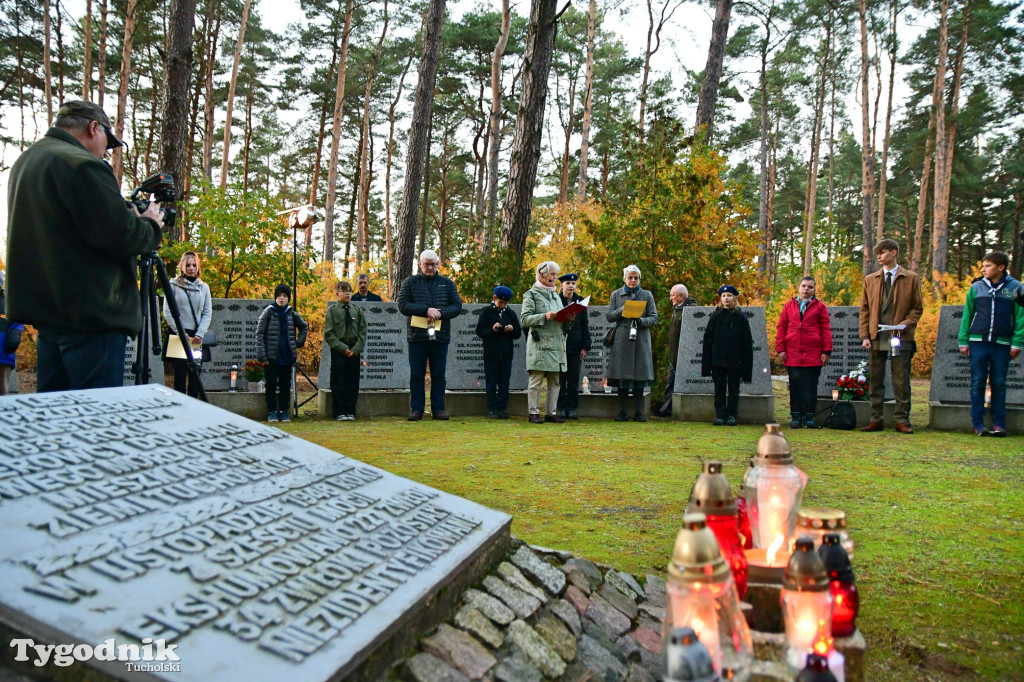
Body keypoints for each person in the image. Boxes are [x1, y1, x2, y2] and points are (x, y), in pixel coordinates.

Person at [4, 100, 165, 392]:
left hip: (50, 315)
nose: (106, 151)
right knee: (95, 422)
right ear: (94, 128)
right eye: (108, 143)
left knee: (56, 420)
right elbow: (123, 235)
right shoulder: (82, 165)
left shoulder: (27, 161)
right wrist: (151, 224)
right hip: (92, 317)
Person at [858, 239, 923, 434]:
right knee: (876, 379)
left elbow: (917, 308)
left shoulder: (911, 278)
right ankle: (876, 419)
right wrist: (865, 336)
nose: (879, 256)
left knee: (901, 380)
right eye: (877, 253)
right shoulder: (870, 279)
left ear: (894, 253)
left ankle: (902, 419)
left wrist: (906, 324)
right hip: (877, 335)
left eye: (883, 252)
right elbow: (865, 309)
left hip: (900, 337)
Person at [958, 251, 1024, 436]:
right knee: (977, 382)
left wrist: (1016, 343)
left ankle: (999, 424)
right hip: (978, 343)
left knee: (999, 383)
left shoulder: (1016, 288)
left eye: (988, 266)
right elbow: (967, 315)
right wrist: (963, 340)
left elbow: (1020, 318)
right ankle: (978, 424)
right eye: (983, 266)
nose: (983, 269)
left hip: (1002, 344)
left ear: (1001, 267)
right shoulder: (976, 287)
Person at [398, 250, 463, 420]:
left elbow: (457, 306)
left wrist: (439, 314)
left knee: (439, 374)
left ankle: (438, 409)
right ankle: (417, 409)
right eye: (426, 263)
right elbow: (403, 305)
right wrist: (425, 310)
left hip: (440, 336)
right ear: (420, 264)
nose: (430, 267)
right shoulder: (410, 282)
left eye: (433, 264)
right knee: (417, 374)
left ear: (438, 265)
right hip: (417, 336)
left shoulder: (447, 283)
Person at [776, 276, 832, 429]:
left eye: (810, 287)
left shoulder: (820, 307)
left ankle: (809, 417)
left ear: (814, 290)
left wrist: (826, 351)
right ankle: (795, 417)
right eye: (804, 286)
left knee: (810, 387)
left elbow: (826, 329)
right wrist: (781, 348)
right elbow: (781, 327)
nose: (806, 289)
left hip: (813, 354)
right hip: (793, 353)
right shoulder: (789, 306)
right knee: (795, 387)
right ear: (798, 287)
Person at [522, 261, 575, 424]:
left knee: (555, 381)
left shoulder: (555, 296)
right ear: (542, 274)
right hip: (540, 344)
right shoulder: (530, 294)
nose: (555, 277)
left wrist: (569, 319)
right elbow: (525, 319)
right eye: (552, 274)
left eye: (556, 274)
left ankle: (551, 412)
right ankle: (533, 412)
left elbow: (563, 323)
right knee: (536, 380)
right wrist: (544, 316)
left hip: (557, 344)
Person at [606, 265, 659, 421]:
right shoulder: (616, 295)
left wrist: (641, 320)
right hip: (622, 339)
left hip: (640, 339)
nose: (633, 280)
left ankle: (638, 412)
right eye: (630, 277)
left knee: (639, 377)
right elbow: (609, 316)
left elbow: (654, 318)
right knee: (621, 376)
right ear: (624, 279)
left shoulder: (647, 295)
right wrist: (622, 310)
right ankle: (622, 411)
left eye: (636, 277)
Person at [162, 251, 212, 398]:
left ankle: (194, 407)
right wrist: (179, 331)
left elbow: (207, 312)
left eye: (194, 265)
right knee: (180, 374)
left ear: (198, 267)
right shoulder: (173, 285)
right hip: (179, 335)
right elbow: (167, 312)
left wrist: (200, 333)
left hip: (197, 337)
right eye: (188, 265)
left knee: (195, 374)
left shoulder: (204, 288)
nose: (191, 268)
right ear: (182, 266)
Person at [255, 284, 308, 423]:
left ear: (288, 298)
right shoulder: (268, 312)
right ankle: (272, 411)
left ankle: (284, 411)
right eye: (279, 296)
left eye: (284, 296)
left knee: (285, 385)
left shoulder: (291, 314)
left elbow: (304, 326)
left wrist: (298, 343)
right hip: (271, 357)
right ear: (275, 297)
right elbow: (259, 334)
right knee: (271, 385)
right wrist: (262, 355)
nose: (282, 299)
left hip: (286, 356)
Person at [702, 285, 753, 426]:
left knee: (734, 390)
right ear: (720, 298)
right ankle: (720, 415)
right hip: (718, 361)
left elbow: (747, 343)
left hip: (735, 361)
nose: (726, 298)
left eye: (729, 295)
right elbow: (707, 341)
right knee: (719, 389)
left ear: (735, 298)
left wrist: (746, 366)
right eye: (724, 296)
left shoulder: (741, 317)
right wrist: (706, 365)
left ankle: (731, 415)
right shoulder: (715, 316)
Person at [475, 286, 522, 419]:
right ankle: (492, 408)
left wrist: (512, 329)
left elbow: (518, 333)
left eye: (505, 303)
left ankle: (502, 408)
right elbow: (480, 331)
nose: (503, 305)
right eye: (500, 302)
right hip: (491, 354)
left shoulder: (511, 314)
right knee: (491, 382)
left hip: (506, 354)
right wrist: (492, 330)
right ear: (494, 298)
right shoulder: (486, 312)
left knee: (504, 383)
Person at [324, 281, 367, 421]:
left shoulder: (357, 310)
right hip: (339, 350)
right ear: (337, 293)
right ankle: (339, 411)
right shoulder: (332, 310)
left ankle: (350, 411)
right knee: (338, 381)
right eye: (344, 291)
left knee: (352, 381)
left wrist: (356, 349)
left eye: (349, 290)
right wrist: (343, 349)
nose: (348, 293)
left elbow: (363, 332)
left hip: (354, 349)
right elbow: (329, 334)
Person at [653, 283, 698, 417]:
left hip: (683, 355)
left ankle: (667, 410)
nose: (670, 298)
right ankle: (666, 410)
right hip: (674, 353)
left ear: (681, 296)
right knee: (670, 383)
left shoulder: (690, 310)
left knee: (674, 382)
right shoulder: (678, 309)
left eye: (673, 295)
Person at [556, 273, 591, 420]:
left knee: (573, 379)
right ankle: (561, 407)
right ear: (562, 285)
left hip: (576, 346)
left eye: (573, 283)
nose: (571, 286)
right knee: (560, 379)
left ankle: (572, 408)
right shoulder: (556, 300)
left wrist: (585, 347)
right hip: (559, 345)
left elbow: (584, 325)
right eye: (568, 283)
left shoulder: (580, 301)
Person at [0, 273, 24, 396]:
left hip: (3, 354)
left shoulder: (8, 303)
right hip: (4, 353)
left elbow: (17, 322)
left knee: (2, 389)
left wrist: (15, 335)